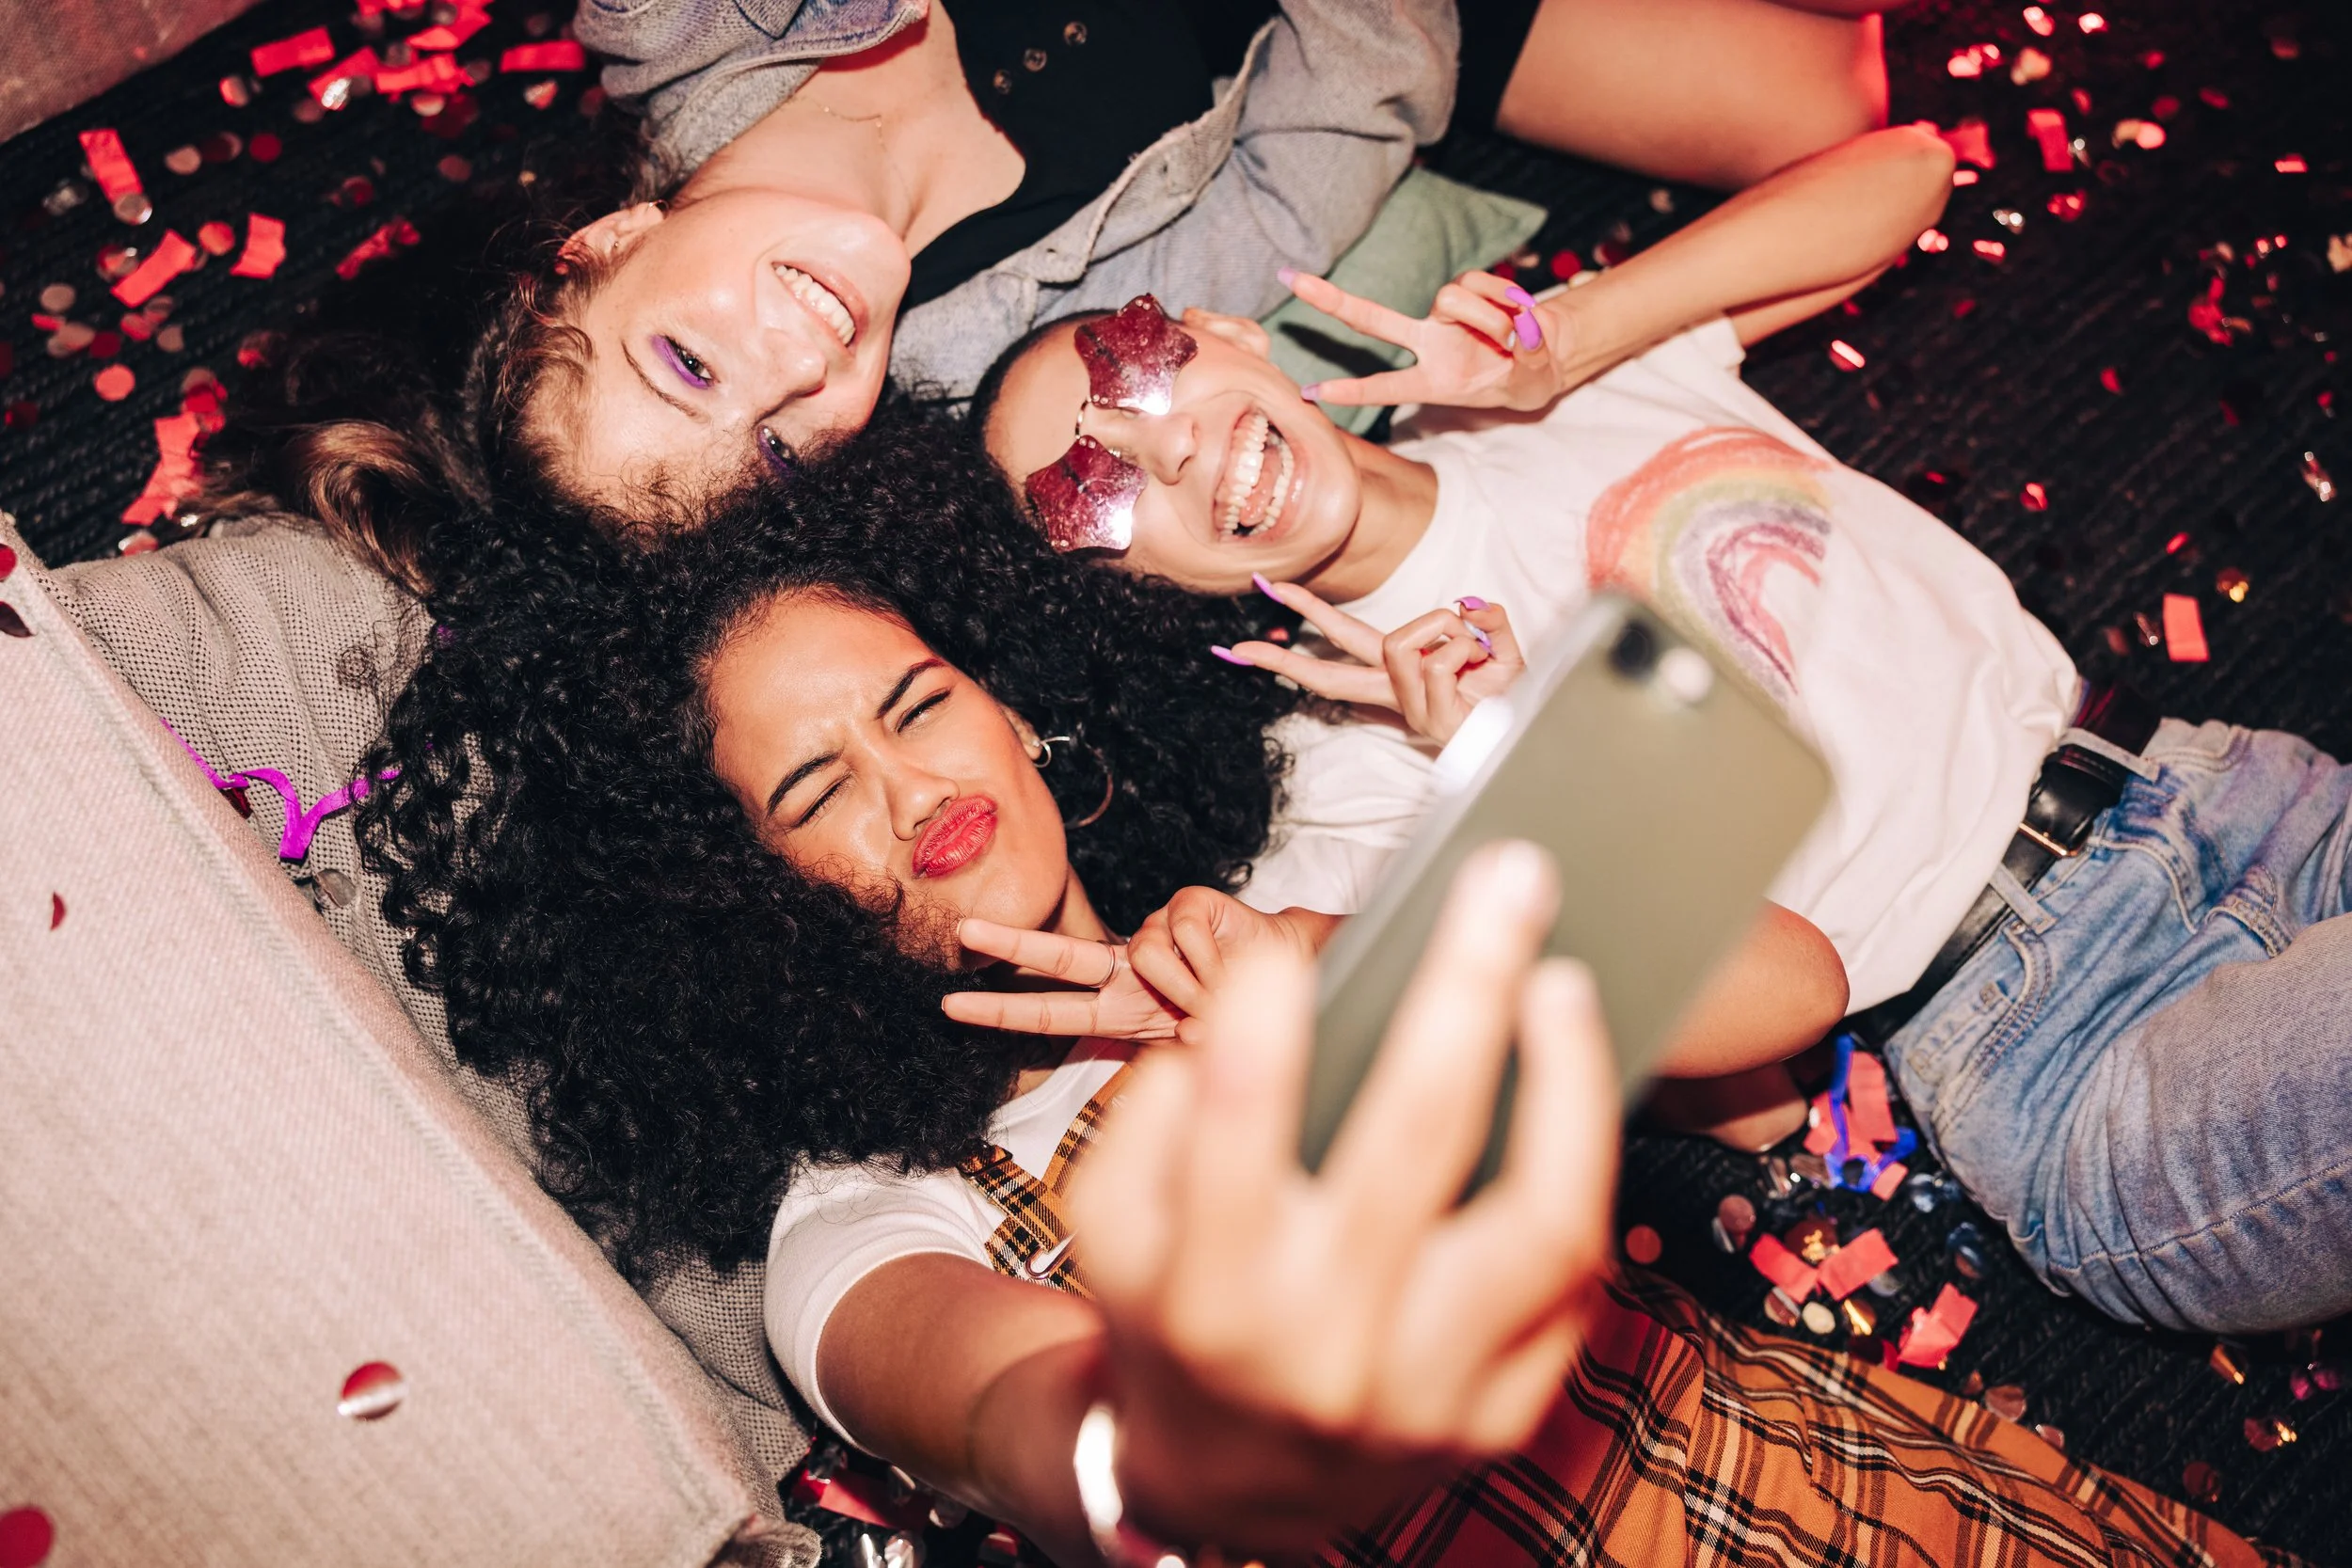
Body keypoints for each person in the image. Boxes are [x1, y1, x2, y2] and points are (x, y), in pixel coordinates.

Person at [357, 429, 2295, 1567]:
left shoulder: (1300, 853)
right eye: (808, 789)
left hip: (1829, 1484)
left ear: (1016, 697)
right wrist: (1219, 1438)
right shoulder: (861, 1215)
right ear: (730, 893)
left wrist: (1330, 954)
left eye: (914, 701)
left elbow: (1785, 978)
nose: (912, 787)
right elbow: (1050, 1436)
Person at [972, 142, 2352, 1335]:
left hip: (2224, 788)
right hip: (2062, 1057)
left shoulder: (1530, 374)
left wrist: (1575, 337)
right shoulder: (1350, 775)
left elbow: (1908, 170)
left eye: (1143, 379)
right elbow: (1779, 1030)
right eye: (1097, 496)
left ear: (1225, 329)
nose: (1178, 456)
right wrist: (1516, 770)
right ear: (1128, 593)